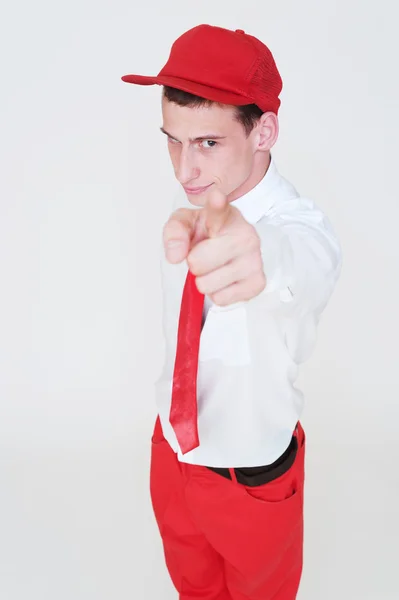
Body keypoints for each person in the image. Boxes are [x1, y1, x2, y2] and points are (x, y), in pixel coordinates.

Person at [122, 24, 342, 600]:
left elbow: (301, 263)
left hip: (249, 475)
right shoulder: (190, 198)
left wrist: (261, 258)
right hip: (171, 451)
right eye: (173, 139)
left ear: (264, 130)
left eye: (209, 143)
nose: (184, 169)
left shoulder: (297, 229)